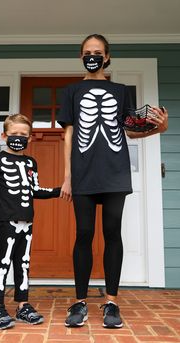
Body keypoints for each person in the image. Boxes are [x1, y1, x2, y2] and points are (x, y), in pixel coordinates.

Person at [58, 34, 168, 329]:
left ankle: (112, 303)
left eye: (97, 52)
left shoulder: (120, 91)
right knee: (83, 234)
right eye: (86, 52)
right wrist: (67, 176)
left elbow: (130, 131)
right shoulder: (70, 91)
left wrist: (159, 129)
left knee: (112, 234)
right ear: (80, 56)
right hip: (82, 173)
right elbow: (68, 134)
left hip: (115, 173)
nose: (92, 55)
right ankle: (80, 301)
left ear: (107, 57)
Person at [0, 114, 60, 330]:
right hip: (5, 221)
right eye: (14, 134)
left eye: (23, 135)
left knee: (23, 264)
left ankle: (22, 305)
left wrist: (58, 191)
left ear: (29, 138)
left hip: (27, 221)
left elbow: (35, 189)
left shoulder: (31, 162)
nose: (19, 138)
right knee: (2, 263)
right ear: (4, 135)